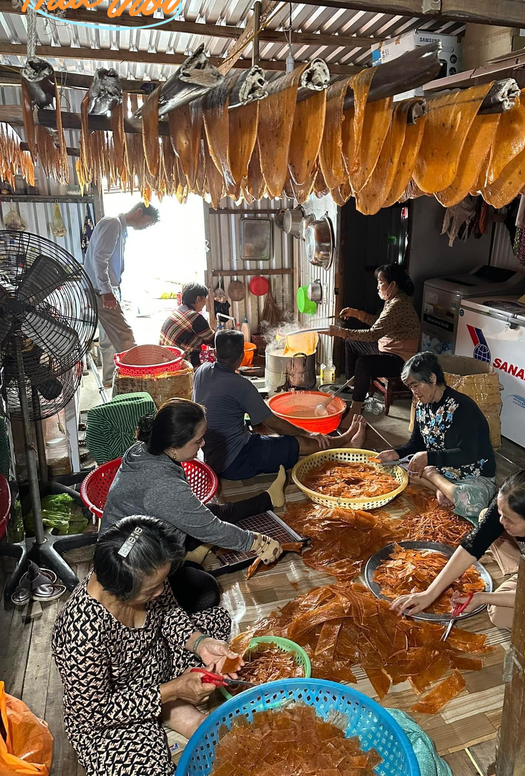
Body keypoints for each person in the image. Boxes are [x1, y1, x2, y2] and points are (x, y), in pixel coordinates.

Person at [52, 516, 241, 776]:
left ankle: (171, 708)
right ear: (120, 592)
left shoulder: (146, 577)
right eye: (152, 589)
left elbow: (170, 613)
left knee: (216, 621)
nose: (162, 591)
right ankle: (169, 705)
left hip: (157, 659)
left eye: (163, 582)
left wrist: (199, 643)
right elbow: (96, 711)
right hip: (116, 707)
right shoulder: (78, 633)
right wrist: (173, 689)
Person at [101, 398, 284, 611]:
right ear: (174, 446)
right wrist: (257, 543)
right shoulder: (163, 486)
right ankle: (191, 559)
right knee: (206, 591)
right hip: (134, 563)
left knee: (211, 513)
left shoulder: (144, 449)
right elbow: (210, 528)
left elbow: (200, 519)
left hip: (149, 535)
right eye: (198, 441)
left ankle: (269, 498)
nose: (203, 444)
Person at [391, 471, 525, 631]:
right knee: (486, 517)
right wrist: (430, 593)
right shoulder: (516, 506)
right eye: (502, 512)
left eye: (509, 519)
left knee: (501, 615)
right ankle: (519, 570)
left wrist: (482, 597)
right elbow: (473, 543)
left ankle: (518, 577)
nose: (501, 520)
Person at [193, 330, 366, 481]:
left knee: (267, 435)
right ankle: (345, 443)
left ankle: (335, 445)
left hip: (213, 457)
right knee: (297, 443)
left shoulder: (202, 370)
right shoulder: (240, 385)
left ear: (215, 353)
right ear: (241, 357)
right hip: (236, 461)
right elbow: (274, 423)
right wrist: (309, 432)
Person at [378, 352, 496, 524]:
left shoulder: (462, 408)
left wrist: (429, 461)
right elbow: (416, 443)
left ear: (432, 378)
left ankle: (436, 481)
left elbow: (467, 454)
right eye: (410, 387)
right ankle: (442, 488)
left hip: (471, 476)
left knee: (472, 505)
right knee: (396, 470)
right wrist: (396, 453)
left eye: (416, 385)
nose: (414, 392)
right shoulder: (422, 407)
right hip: (443, 472)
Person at [327, 264, 420, 423]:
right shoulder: (392, 300)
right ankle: (355, 389)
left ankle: (355, 413)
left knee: (364, 363)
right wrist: (357, 314)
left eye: (381, 282)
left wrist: (341, 332)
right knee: (351, 342)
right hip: (386, 349)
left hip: (401, 359)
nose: (378, 287)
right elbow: (380, 324)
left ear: (393, 284)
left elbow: (374, 334)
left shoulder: (398, 304)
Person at [84, 202, 159, 386]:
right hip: (101, 291)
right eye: (147, 222)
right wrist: (106, 291)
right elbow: (100, 259)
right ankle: (138, 382)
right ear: (139, 211)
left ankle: (110, 379)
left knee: (108, 338)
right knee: (126, 336)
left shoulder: (119, 227)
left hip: (104, 289)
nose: (146, 227)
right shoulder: (113, 223)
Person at [160, 282, 215, 368]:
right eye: (205, 298)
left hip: (165, 362)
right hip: (181, 366)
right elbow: (213, 341)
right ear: (198, 299)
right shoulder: (195, 318)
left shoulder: (178, 311)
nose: (205, 302)